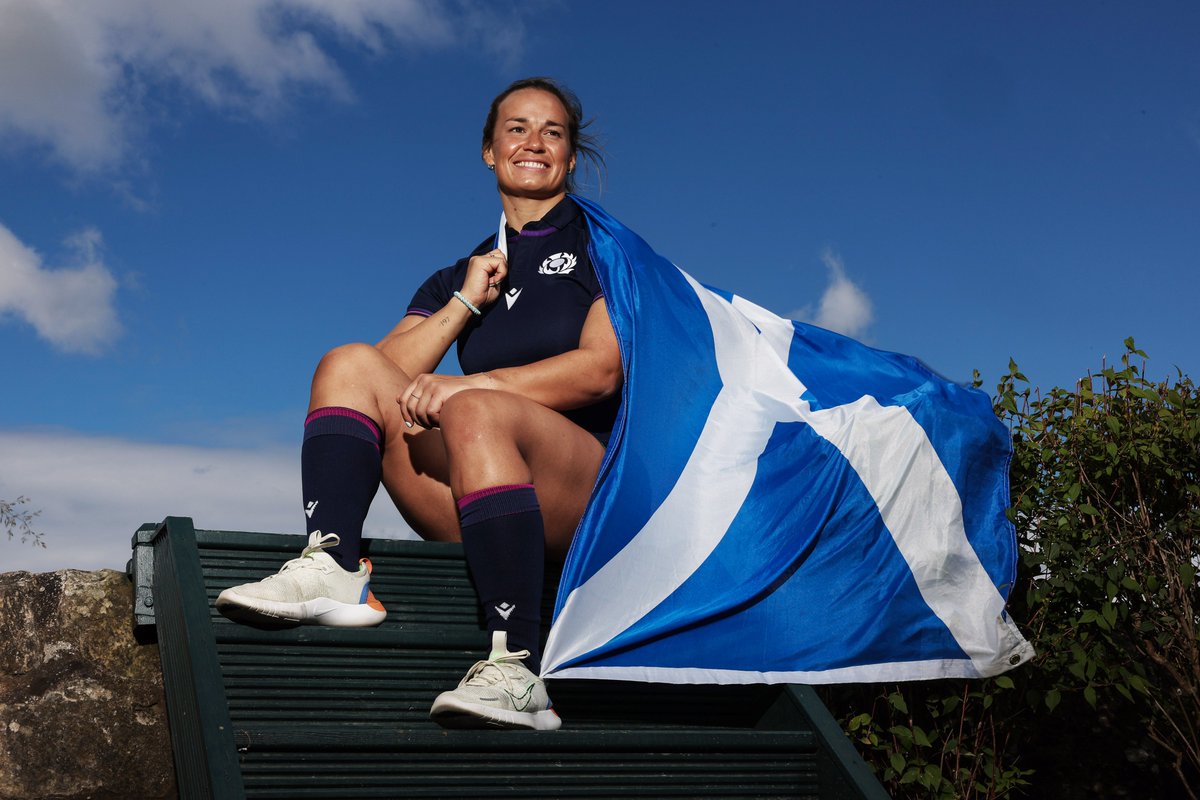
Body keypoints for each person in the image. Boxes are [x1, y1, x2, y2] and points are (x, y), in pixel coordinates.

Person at [216, 77, 622, 732]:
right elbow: (377, 380)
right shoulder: (459, 274)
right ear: (489, 151)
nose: (534, 142)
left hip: (591, 502)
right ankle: (333, 564)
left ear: (571, 157)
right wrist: (464, 302)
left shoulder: (606, 250)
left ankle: (517, 671)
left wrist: (474, 386)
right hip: (486, 495)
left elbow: (600, 371)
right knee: (347, 361)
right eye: (516, 128)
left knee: (473, 408)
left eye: (553, 132)